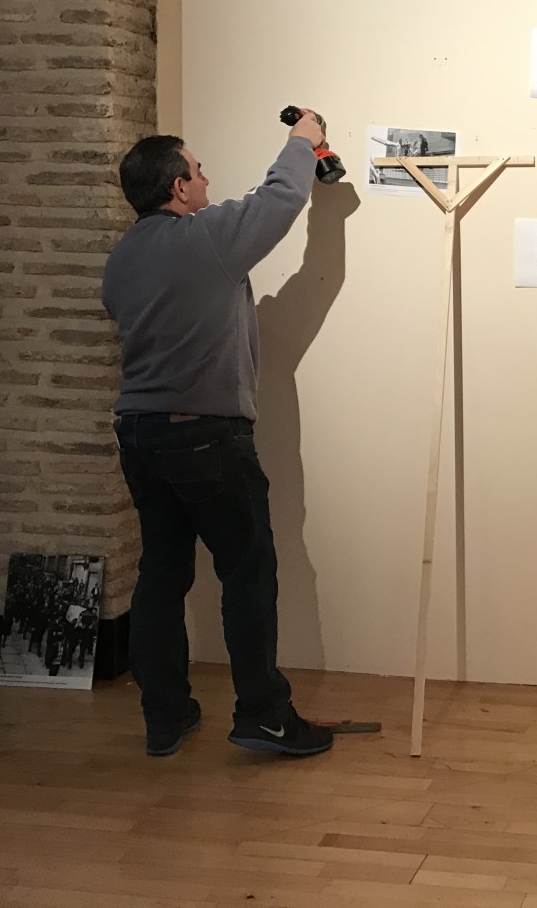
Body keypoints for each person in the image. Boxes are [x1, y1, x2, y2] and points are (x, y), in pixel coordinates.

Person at [102, 111, 334, 759]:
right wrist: (303, 138)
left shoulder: (121, 261)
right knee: (248, 571)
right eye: (199, 171)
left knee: (161, 573)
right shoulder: (203, 237)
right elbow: (280, 197)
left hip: (140, 437)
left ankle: (165, 714)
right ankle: (264, 714)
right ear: (178, 188)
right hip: (204, 435)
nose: (206, 180)